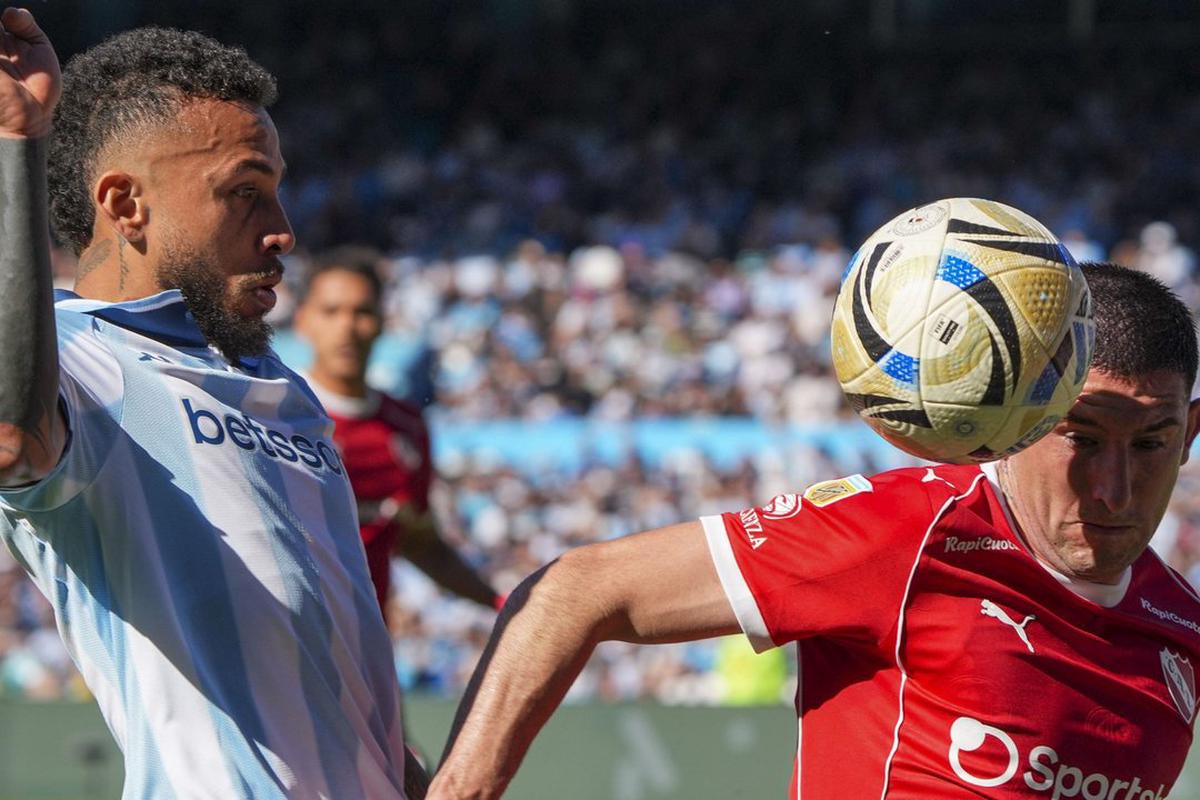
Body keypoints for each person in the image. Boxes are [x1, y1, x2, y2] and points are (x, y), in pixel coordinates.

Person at [430, 261, 1200, 799]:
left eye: (1153, 441)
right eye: (1083, 436)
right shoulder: (909, 533)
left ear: (1190, 432)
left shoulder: (1181, 632)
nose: (1114, 487)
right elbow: (575, 589)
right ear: (1025, 412)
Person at [0, 12, 424, 798]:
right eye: (245, 194)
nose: (284, 232)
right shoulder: (81, 360)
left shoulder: (286, 390)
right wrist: (17, 142)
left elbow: (331, 679)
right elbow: (11, 434)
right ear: (126, 205)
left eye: (277, 193)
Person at [293, 247, 502, 619]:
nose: (346, 326)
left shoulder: (406, 427)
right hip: (282, 646)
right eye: (331, 311)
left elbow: (419, 543)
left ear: (382, 322)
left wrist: (500, 602)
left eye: (361, 312)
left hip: (366, 653)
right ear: (303, 321)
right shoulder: (273, 412)